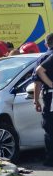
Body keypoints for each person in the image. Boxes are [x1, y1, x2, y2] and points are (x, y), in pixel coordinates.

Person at [33, 33, 53, 166]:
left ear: (46, 44)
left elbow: (37, 81)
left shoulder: (44, 58)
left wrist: (36, 100)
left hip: (49, 96)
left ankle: (50, 159)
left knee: (50, 128)